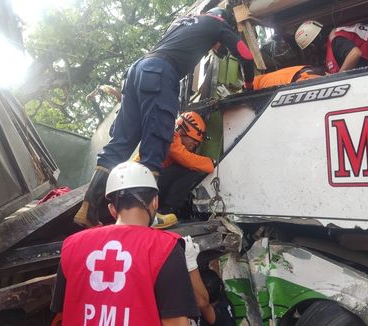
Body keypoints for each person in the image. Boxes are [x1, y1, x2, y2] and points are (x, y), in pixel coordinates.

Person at [74, 7, 255, 228]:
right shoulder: (217, 25)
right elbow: (245, 54)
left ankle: (88, 209)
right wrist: (249, 85)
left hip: (135, 72)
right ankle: (147, 216)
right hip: (160, 73)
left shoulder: (182, 23)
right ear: (223, 19)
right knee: (156, 144)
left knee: (120, 143)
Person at [51, 162, 199, 325]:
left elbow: (63, 308)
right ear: (155, 202)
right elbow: (175, 322)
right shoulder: (165, 248)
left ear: (112, 209)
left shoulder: (72, 245)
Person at [140, 111, 214, 228]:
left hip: (144, 185)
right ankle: (164, 212)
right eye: (193, 140)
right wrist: (210, 163)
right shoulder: (170, 136)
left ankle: (162, 212)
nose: (195, 144)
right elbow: (186, 158)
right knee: (189, 168)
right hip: (141, 186)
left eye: (197, 142)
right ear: (181, 131)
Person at [295, 21, 368, 73]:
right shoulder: (336, 35)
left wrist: (339, 77)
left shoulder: (336, 41)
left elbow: (355, 53)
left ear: (313, 45)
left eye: (310, 48)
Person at [184, 236, 236, 326]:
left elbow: (203, 303)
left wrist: (191, 263)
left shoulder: (220, 318)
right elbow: (216, 270)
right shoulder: (221, 301)